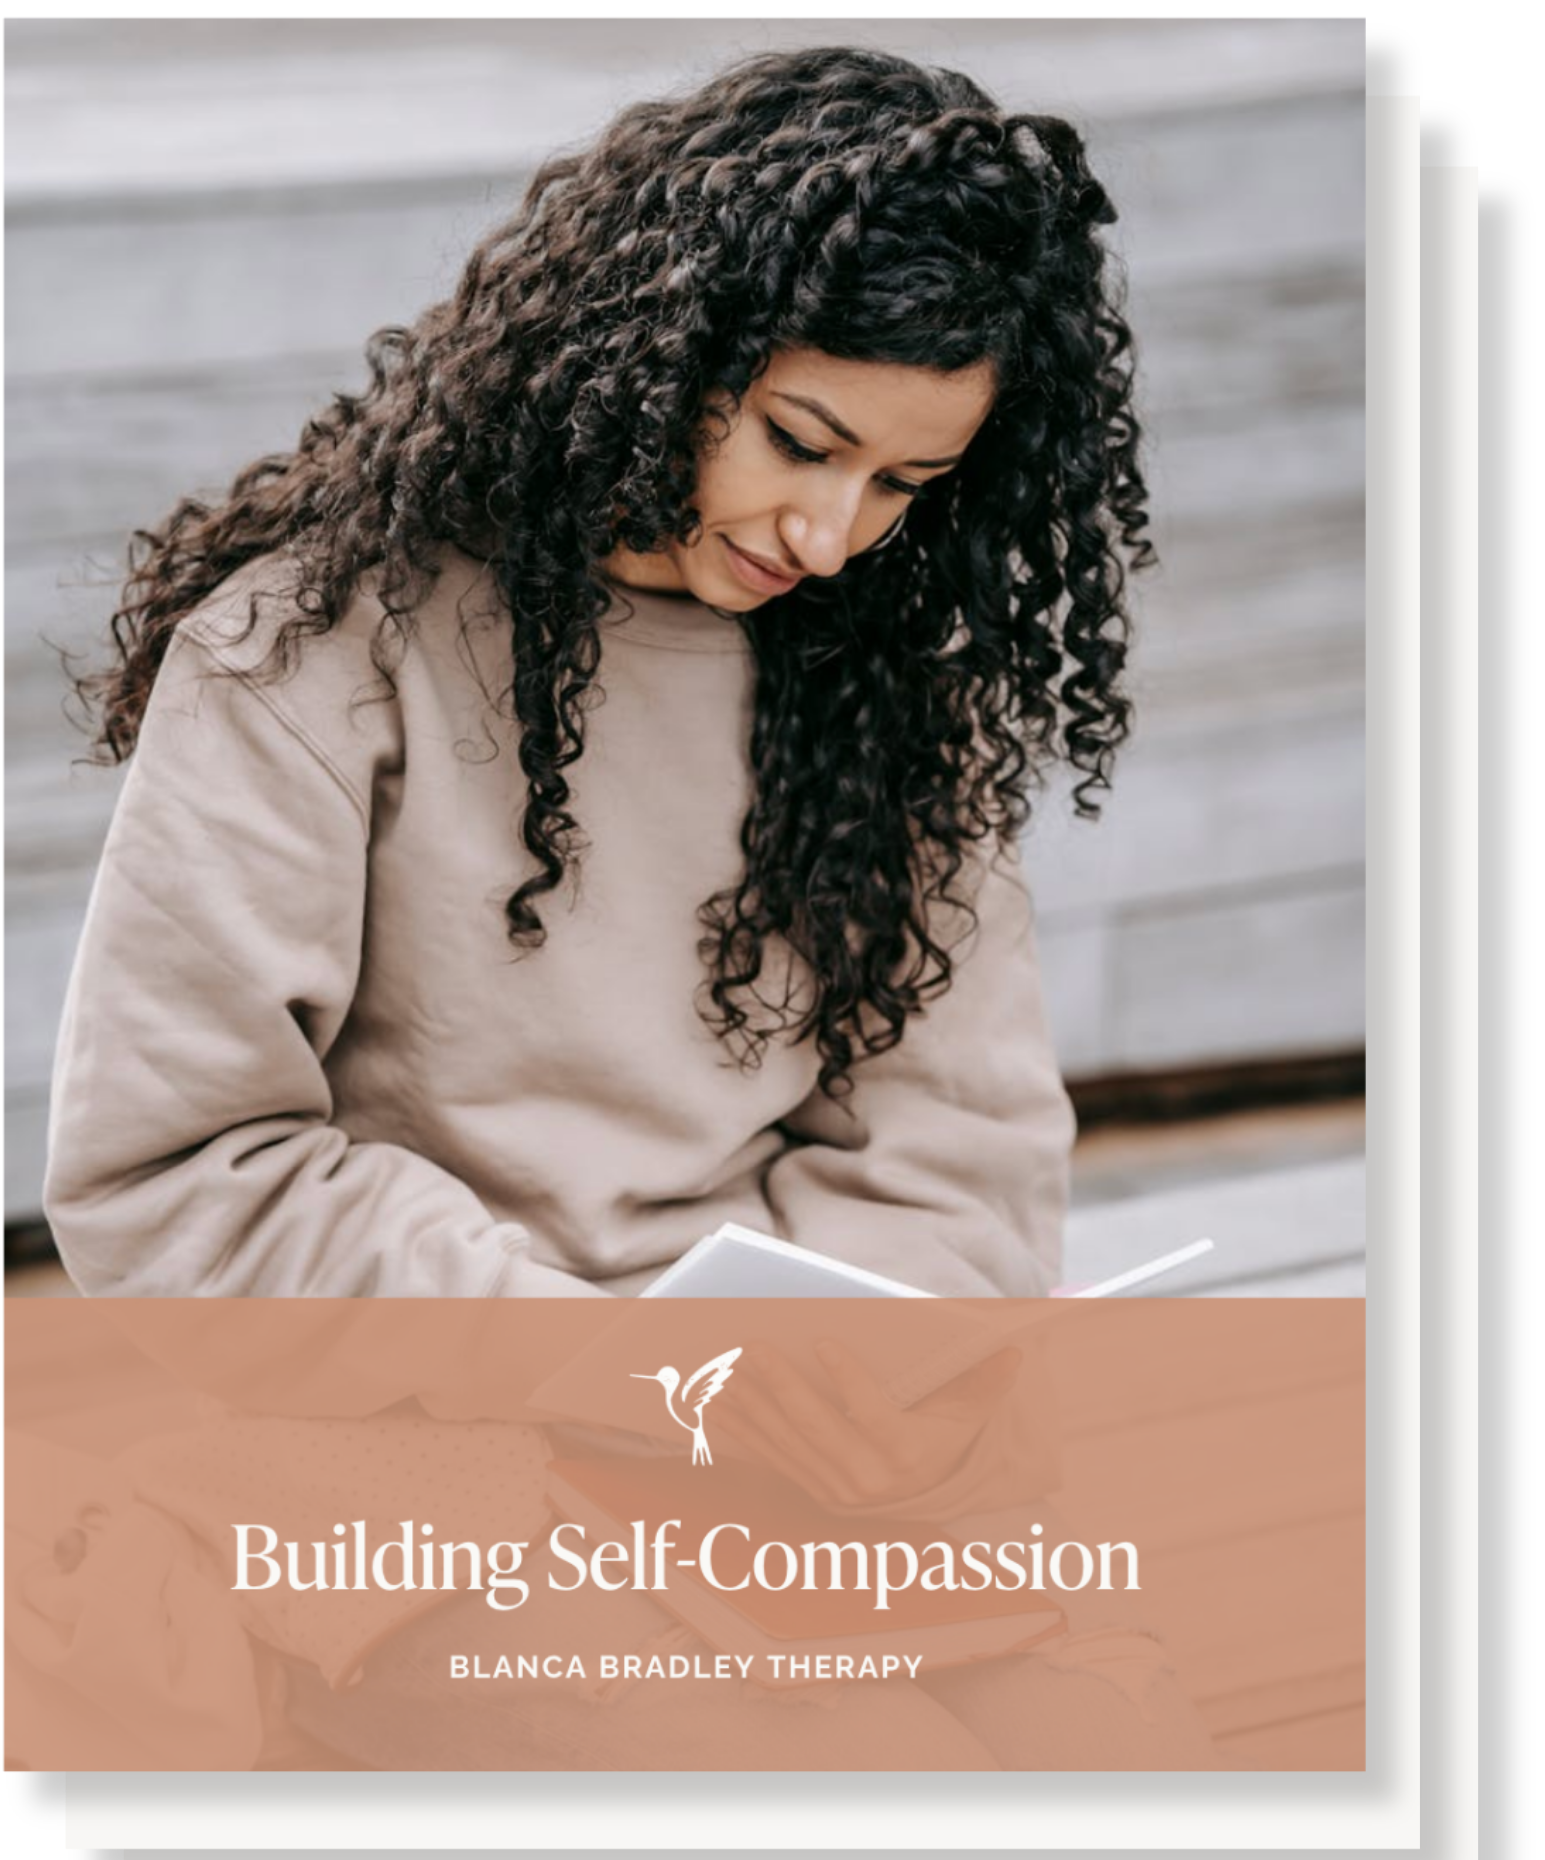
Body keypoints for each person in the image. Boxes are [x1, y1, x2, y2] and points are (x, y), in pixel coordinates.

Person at [39, 45, 1224, 1767]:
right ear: (661, 346)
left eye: (903, 487)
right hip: (408, 1458)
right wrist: (614, 1379)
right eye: (802, 442)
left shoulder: (884, 689)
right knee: (850, 1798)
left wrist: (852, 1395)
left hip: (772, 1483)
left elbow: (958, 1161)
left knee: (1130, 1778)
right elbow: (177, 1177)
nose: (829, 532)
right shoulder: (311, 654)